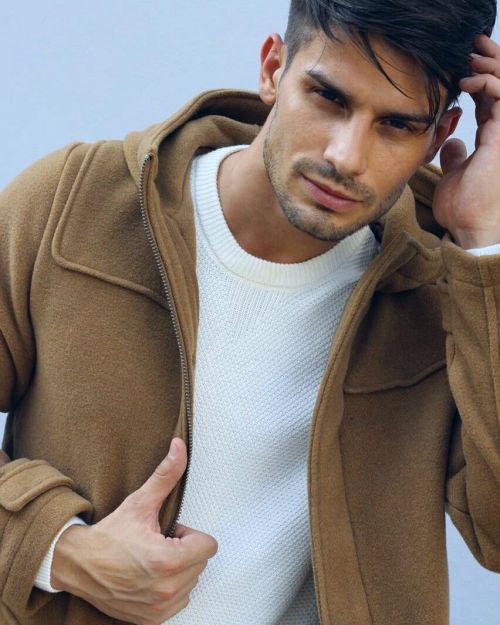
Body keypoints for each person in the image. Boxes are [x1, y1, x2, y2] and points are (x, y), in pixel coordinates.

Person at [1, 0, 499, 623]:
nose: (345, 155)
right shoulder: (74, 204)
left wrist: (485, 246)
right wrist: (58, 549)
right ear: (272, 69)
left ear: (440, 135)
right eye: (328, 97)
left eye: (397, 125)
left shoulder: (447, 289)